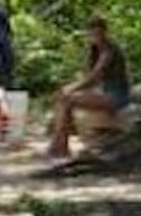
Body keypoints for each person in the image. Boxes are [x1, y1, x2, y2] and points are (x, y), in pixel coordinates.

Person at [45, 16, 131, 161]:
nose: (95, 37)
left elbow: (94, 77)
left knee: (67, 98)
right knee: (64, 99)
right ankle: (60, 146)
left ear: (105, 32)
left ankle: (58, 147)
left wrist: (71, 88)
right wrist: (70, 89)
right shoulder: (94, 52)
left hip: (116, 96)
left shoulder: (109, 51)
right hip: (104, 93)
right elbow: (89, 80)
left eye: (98, 34)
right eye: (92, 34)